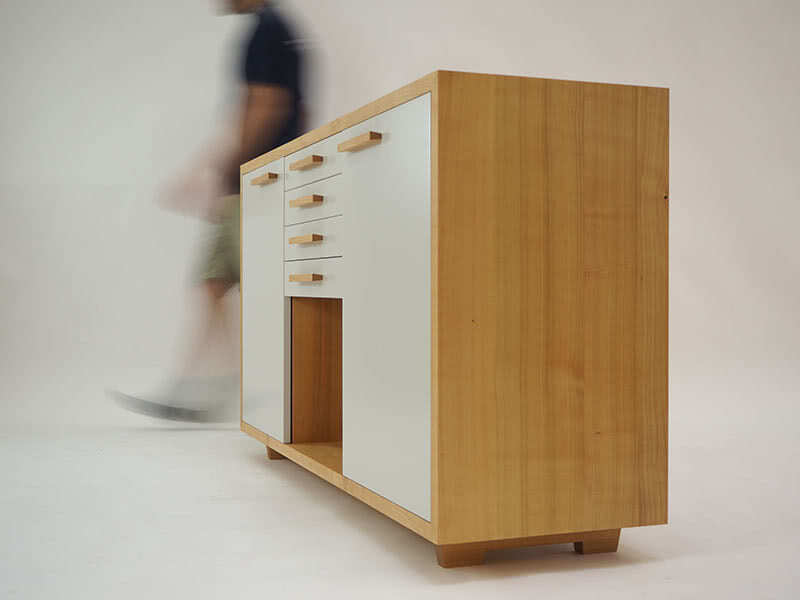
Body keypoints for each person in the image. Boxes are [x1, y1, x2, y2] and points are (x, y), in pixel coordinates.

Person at [113, 0, 304, 422]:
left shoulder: (267, 30)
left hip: (259, 182)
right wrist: (207, 169)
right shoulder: (271, 28)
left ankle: (234, 387)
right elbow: (254, 110)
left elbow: (267, 105)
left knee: (250, 284)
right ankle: (205, 386)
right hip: (252, 181)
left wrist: (229, 168)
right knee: (214, 282)